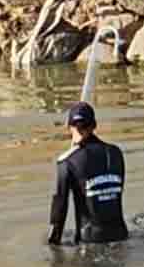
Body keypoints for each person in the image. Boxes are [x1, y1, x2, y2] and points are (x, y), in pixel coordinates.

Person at [48, 103, 129, 245]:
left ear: (69, 127)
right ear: (94, 125)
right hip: (121, 236)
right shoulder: (116, 153)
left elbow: (59, 212)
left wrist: (52, 247)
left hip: (90, 242)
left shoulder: (67, 161)